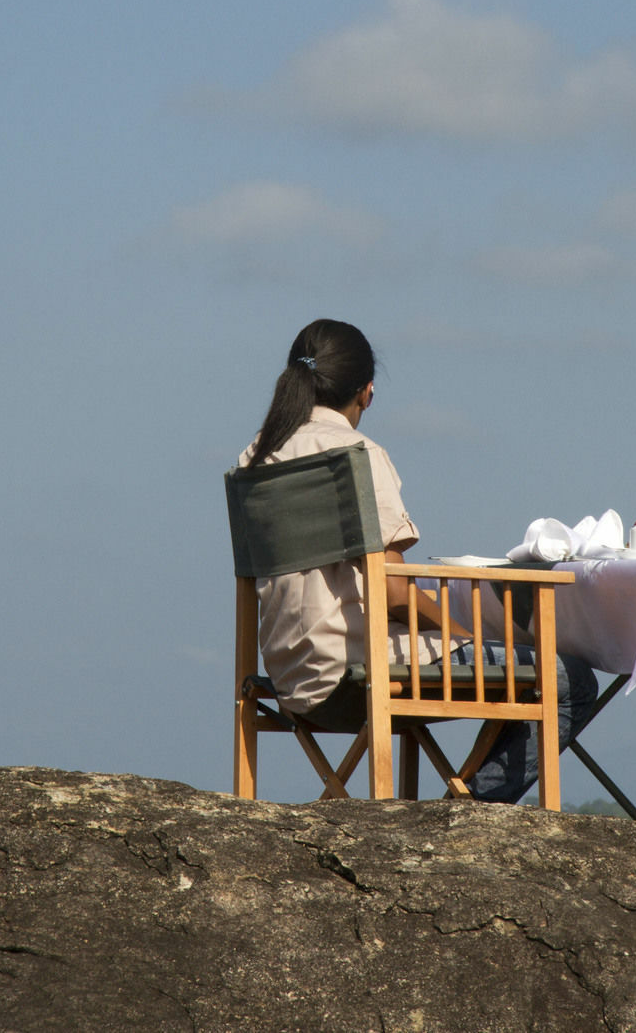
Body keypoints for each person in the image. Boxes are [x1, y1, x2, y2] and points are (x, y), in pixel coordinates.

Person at [239, 318, 598, 801]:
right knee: (570, 679)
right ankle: (470, 812)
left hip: (290, 679)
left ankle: (463, 805)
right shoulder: (356, 455)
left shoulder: (255, 457)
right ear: (367, 392)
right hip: (357, 675)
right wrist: (461, 634)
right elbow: (389, 590)